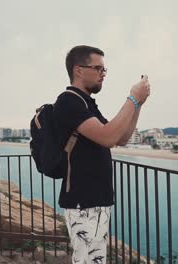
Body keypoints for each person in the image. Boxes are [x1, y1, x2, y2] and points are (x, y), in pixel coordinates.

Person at [53, 45, 150, 264]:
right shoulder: (69, 101)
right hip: (83, 202)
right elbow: (107, 137)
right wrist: (132, 98)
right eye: (98, 69)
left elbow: (120, 137)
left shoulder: (85, 103)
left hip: (94, 202)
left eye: (104, 70)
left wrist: (139, 105)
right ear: (78, 70)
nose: (103, 74)